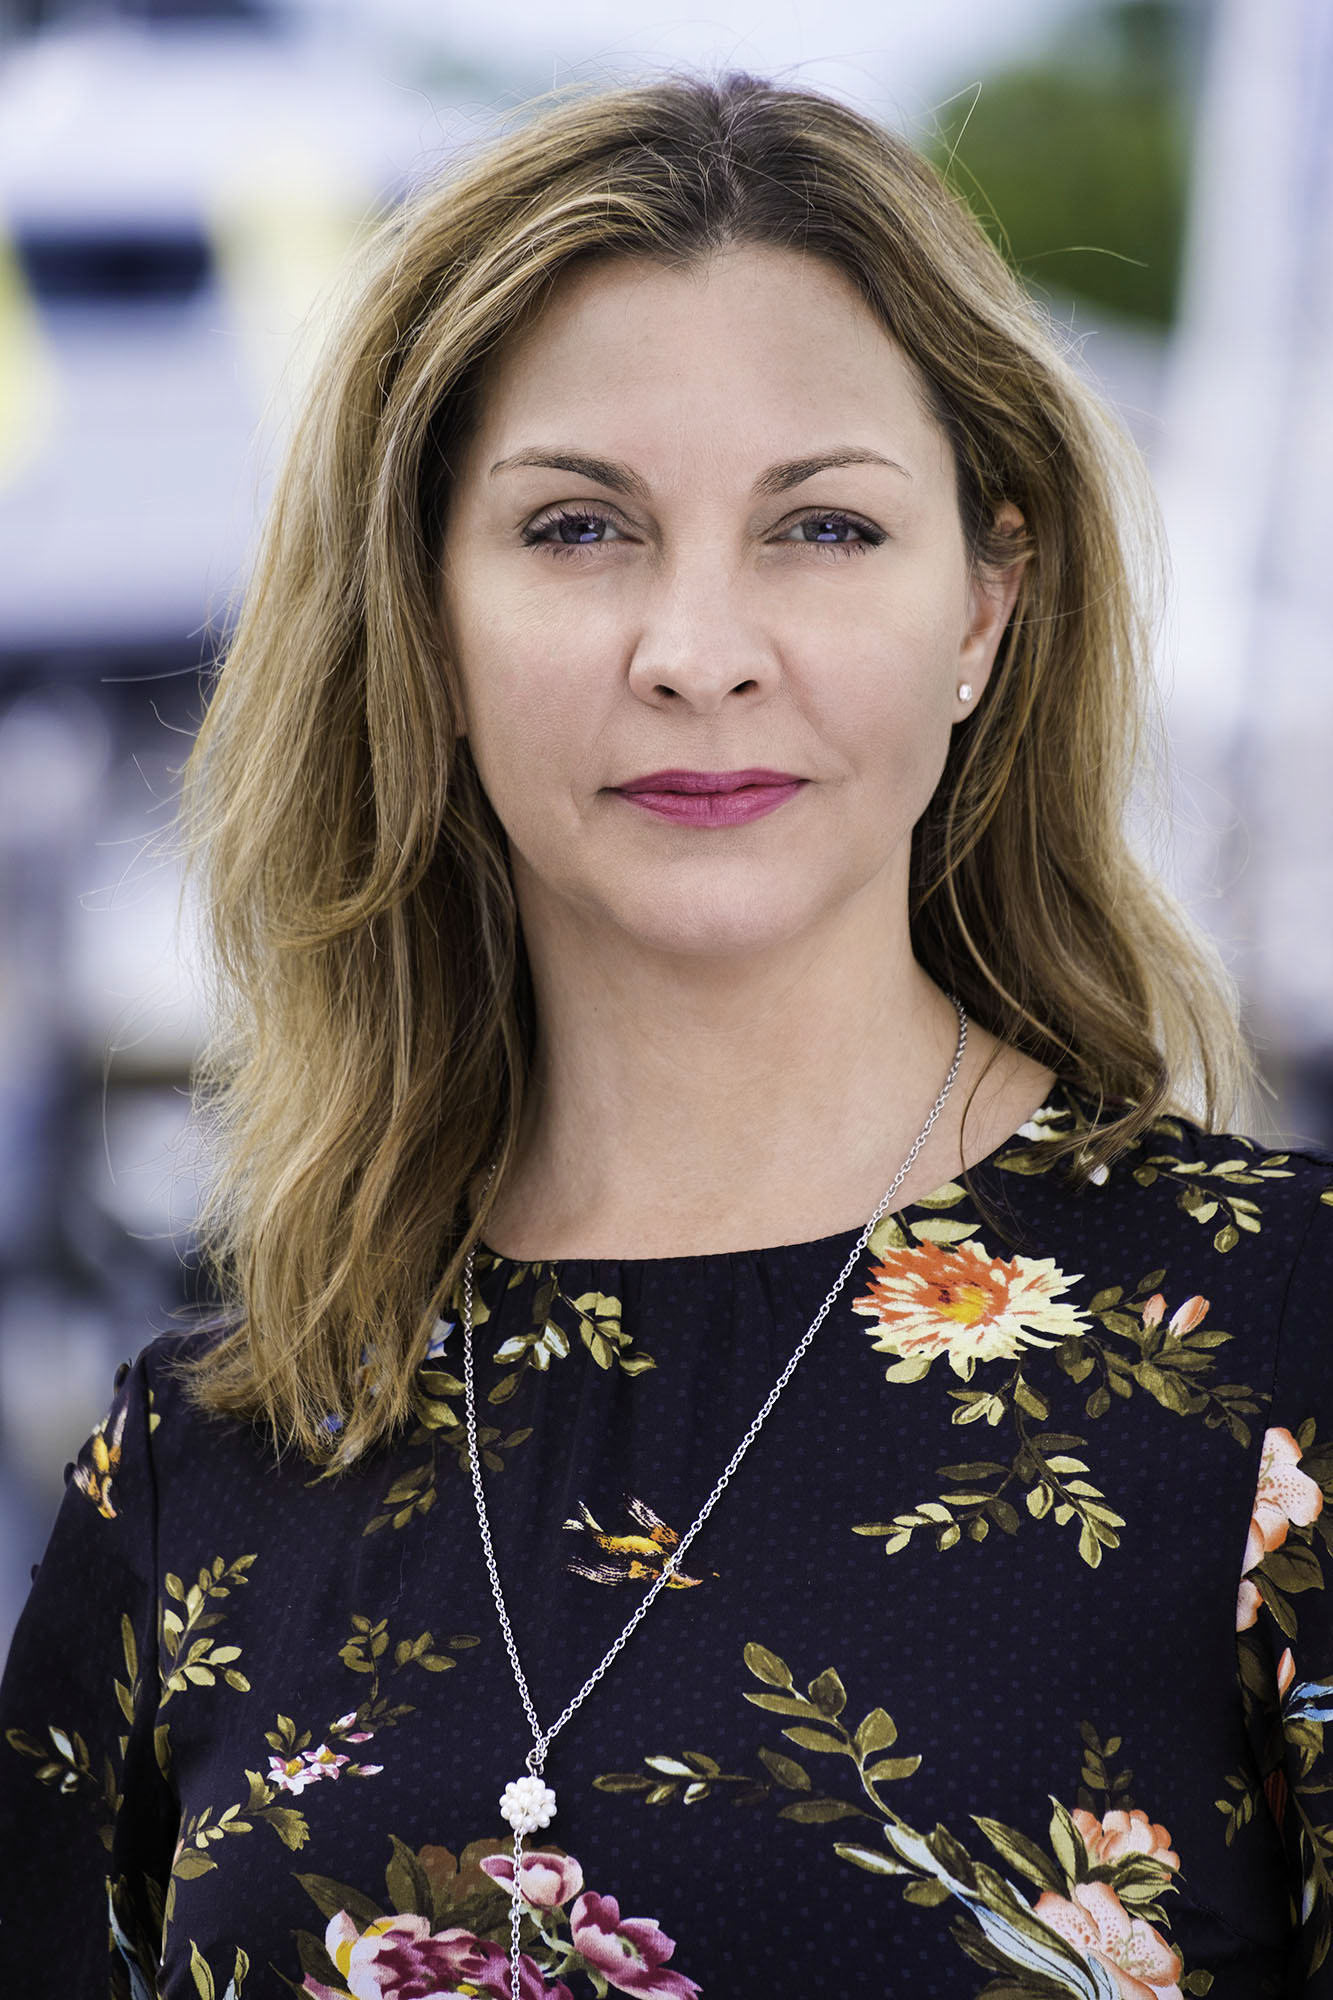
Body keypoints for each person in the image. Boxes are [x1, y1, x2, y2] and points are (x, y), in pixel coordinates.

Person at [2, 64, 1330, 2000]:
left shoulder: (1280, 1346)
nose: (697, 651)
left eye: (824, 529)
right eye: (575, 528)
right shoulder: (206, 1465)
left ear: (985, 605)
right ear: (424, 617)